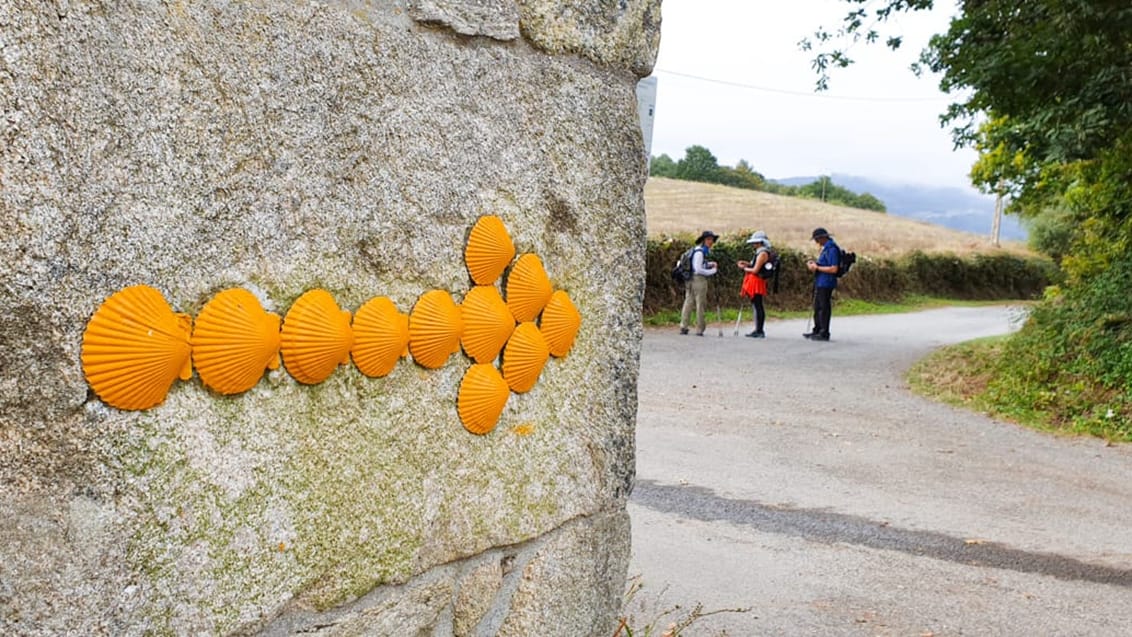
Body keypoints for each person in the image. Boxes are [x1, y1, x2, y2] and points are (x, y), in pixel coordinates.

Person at [679, 230, 719, 335]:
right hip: (699, 280)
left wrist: (709, 264)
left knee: (688, 302)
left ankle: (684, 326)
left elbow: (697, 265)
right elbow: (698, 269)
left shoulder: (696, 250)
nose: (711, 242)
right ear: (703, 240)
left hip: (690, 280)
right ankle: (700, 329)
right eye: (708, 239)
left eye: (712, 240)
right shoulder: (701, 252)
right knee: (700, 304)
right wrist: (712, 271)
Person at [805, 227, 840, 341]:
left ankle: (824, 332)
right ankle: (817, 330)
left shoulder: (832, 249)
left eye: (817, 239)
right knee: (817, 307)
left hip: (827, 282)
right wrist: (814, 265)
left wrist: (817, 267)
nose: (816, 242)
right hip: (821, 281)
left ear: (822, 238)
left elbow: (834, 269)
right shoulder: (826, 248)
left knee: (824, 308)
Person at [736, 230, 772, 338]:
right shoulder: (760, 252)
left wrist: (744, 268)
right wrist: (747, 264)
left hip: (756, 282)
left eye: (755, 242)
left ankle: (759, 330)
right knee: (757, 305)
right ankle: (758, 329)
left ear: (761, 242)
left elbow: (755, 270)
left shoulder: (762, 253)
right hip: (756, 281)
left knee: (757, 305)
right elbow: (754, 265)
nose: (753, 244)